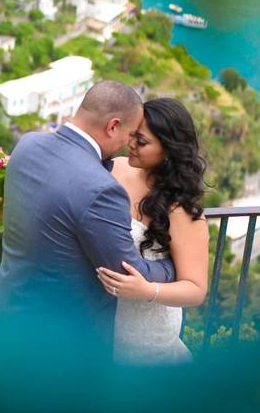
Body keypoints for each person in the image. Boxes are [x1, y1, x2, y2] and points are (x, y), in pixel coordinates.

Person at [0, 81, 176, 358]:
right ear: (112, 126)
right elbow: (128, 272)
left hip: (1, 318)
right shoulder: (102, 188)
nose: (127, 145)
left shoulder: (28, 144)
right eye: (129, 135)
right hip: (56, 348)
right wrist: (170, 267)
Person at [95, 97, 209, 365]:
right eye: (132, 136)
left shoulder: (180, 209)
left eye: (142, 142)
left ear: (168, 150)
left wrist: (147, 291)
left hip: (143, 338)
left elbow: (195, 289)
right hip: (96, 322)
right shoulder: (116, 167)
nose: (131, 144)